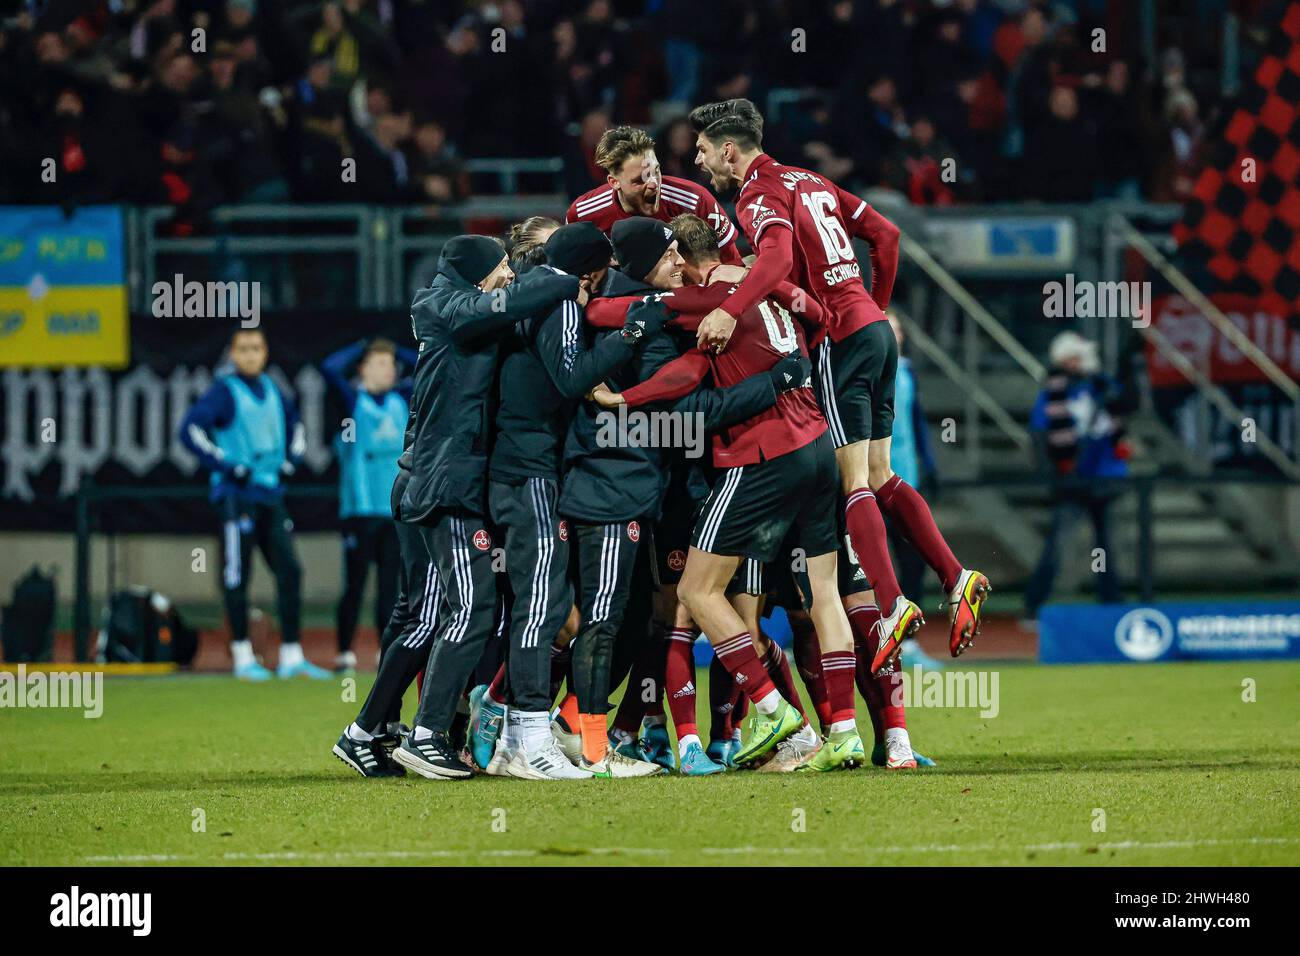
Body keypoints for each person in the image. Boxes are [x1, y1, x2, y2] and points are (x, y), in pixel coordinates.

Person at [688, 97, 990, 675]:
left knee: (853, 482)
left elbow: (773, 259)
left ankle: (892, 602)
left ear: (729, 149)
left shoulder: (758, 193)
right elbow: (887, 234)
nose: (701, 163)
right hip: (876, 334)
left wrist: (732, 308)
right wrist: (872, 310)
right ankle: (956, 577)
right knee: (881, 476)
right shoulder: (812, 180)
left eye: (703, 151)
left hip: (841, 341)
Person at [390, 234, 582, 781]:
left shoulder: (453, 306)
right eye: (501, 267)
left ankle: (404, 730)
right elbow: (505, 303)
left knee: (458, 611)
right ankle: (424, 734)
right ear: (477, 274)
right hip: (443, 483)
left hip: (450, 481)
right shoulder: (444, 305)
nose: (506, 276)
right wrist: (569, 274)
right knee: (466, 609)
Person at [179, 328, 329, 681]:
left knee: (290, 570)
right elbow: (190, 430)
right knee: (237, 576)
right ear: (233, 354)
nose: (250, 354)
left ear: (265, 353)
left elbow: (296, 427)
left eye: (256, 348)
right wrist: (229, 465)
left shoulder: (274, 390)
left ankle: (292, 655)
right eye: (243, 348)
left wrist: (291, 458)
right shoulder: (224, 391)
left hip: (270, 495)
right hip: (236, 496)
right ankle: (243, 656)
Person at [320, 337, 417, 673]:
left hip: (394, 508)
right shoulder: (352, 401)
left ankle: (383, 651)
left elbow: (424, 363)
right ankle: (344, 652)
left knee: (390, 587)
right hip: (359, 510)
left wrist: (393, 350)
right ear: (362, 369)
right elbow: (329, 369)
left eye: (390, 365)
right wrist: (362, 346)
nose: (386, 370)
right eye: (377, 364)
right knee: (355, 583)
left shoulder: (402, 399)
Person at [1025, 332, 1131, 620]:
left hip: (1106, 475)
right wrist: (1052, 473)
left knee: (1107, 546)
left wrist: (1117, 394)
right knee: (1058, 543)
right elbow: (1039, 434)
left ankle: (1112, 604)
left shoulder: (1101, 384)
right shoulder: (1052, 392)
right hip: (1071, 478)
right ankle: (1034, 606)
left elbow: (1126, 406)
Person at [566, 125, 743, 264]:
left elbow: (731, 263)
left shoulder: (693, 199)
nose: (653, 184)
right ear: (614, 182)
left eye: (656, 171)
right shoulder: (583, 214)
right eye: (639, 180)